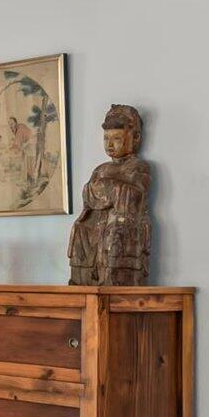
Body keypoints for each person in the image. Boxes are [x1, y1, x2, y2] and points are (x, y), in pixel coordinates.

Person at [68, 104, 152, 287]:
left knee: (115, 233)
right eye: (106, 138)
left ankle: (112, 279)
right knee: (80, 228)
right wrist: (105, 189)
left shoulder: (137, 167)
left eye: (117, 138)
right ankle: (81, 280)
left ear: (135, 138)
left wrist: (108, 188)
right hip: (97, 223)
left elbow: (132, 197)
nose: (110, 144)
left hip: (123, 223)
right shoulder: (101, 169)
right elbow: (88, 194)